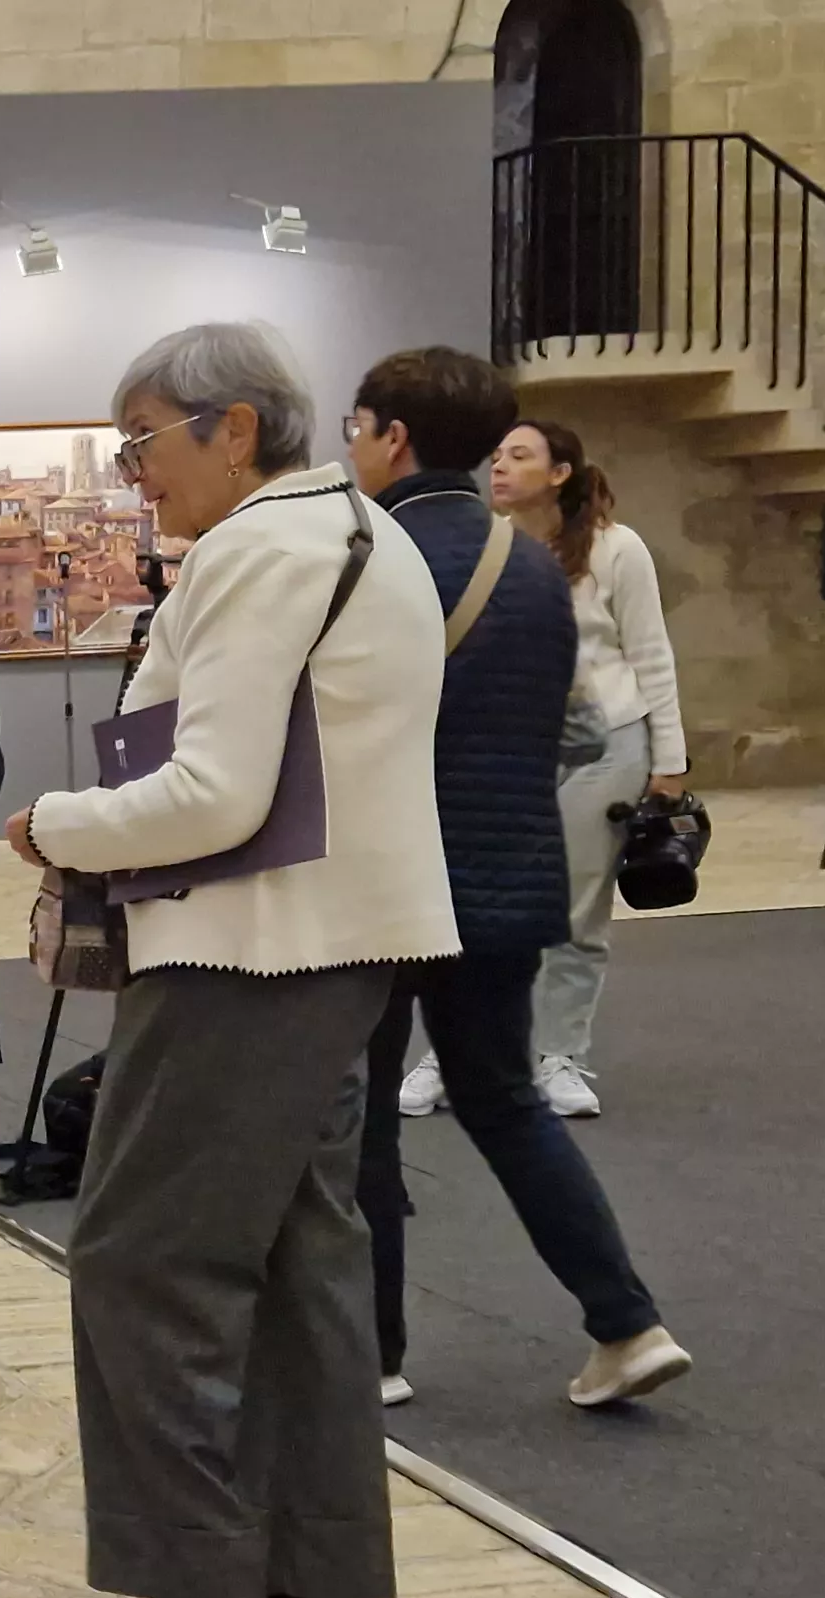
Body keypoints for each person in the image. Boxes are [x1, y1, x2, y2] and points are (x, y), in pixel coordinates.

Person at [3, 321, 454, 1598]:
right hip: (334, 953)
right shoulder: (357, 538)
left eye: (142, 442)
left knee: (142, 1260)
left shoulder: (265, 549)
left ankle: (205, 1596)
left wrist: (56, 825)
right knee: (301, 1264)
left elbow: (217, 797)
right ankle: (320, 1584)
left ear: (236, 428)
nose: (132, 474)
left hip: (251, 959)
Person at [341, 350, 696, 1411]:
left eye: (356, 427)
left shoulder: (363, 556)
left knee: (358, 1115)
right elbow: (584, 729)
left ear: (393, 438)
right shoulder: (537, 567)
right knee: (506, 1102)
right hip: (504, 877)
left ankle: (373, 1354)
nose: (348, 447)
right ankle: (626, 1323)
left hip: (383, 880)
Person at [475, 417, 687, 1119]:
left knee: (577, 907)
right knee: (484, 906)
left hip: (609, 742)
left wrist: (670, 763)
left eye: (520, 456)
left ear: (560, 472)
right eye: (497, 456)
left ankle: (560, 1054)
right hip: (510, 743)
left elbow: (651, 655)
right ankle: (458, 1053)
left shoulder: (616, 550)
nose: (500, 468)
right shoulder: (487, 547)